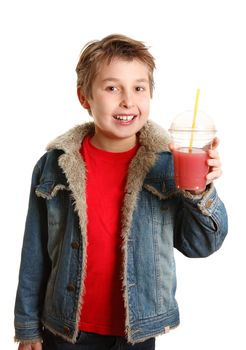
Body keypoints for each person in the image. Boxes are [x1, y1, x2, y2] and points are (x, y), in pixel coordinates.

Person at [14, 34, 228, 350]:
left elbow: (201, 245)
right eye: (112, 88)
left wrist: (200, 191)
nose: (128, 100)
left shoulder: (170, 167)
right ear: (84, 97)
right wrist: (28, 327)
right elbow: (33, 252)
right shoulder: (53, 165)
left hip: (137, 334)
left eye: (139, 88)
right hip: (65, 331)